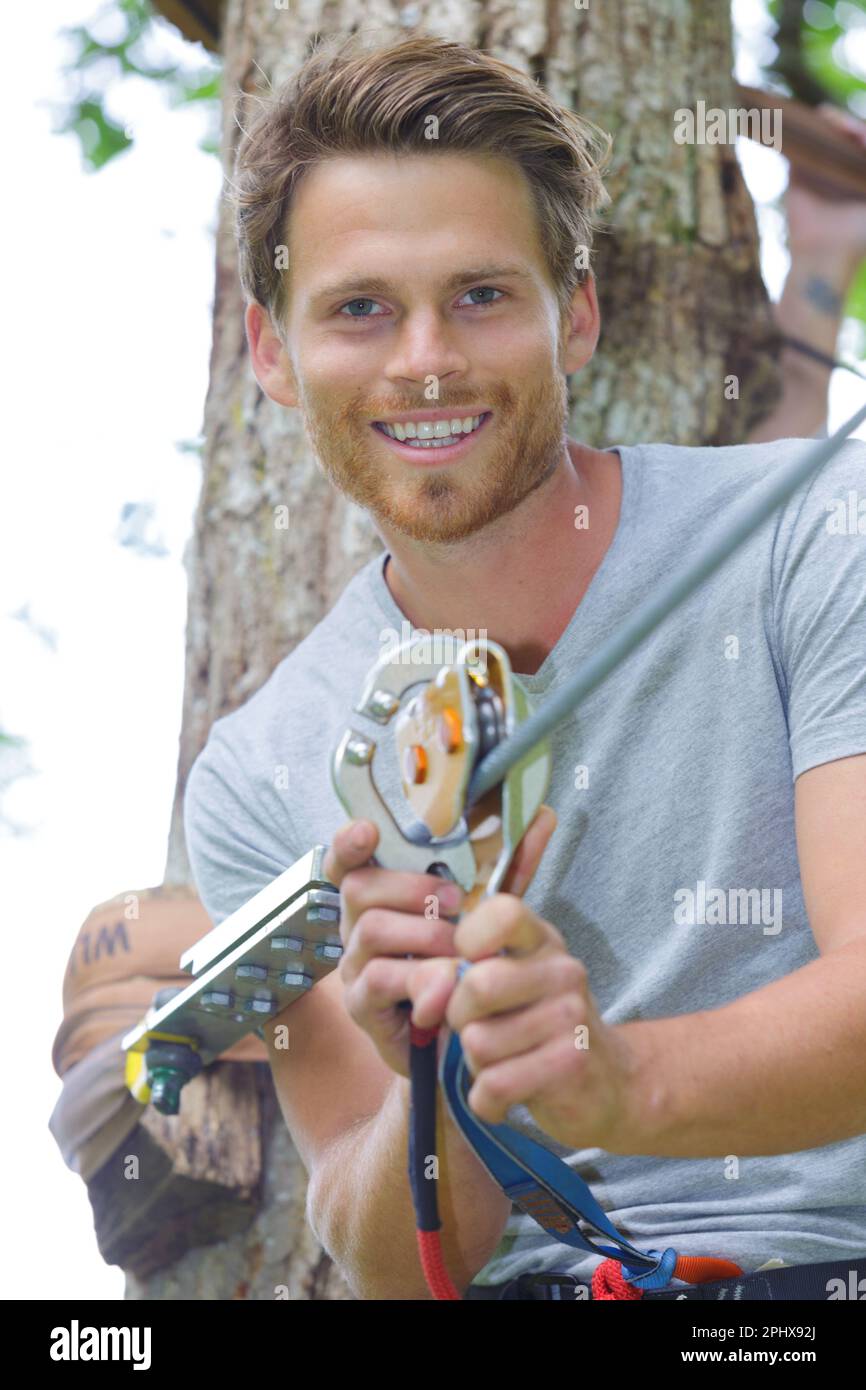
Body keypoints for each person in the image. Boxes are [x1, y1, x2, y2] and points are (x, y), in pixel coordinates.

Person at [184, 31, 866, 1300]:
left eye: (482, 295)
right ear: (271, 352)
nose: (424, 357)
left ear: (580, 315)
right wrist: (427, 1083)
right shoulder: (254, 777)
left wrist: (621, 1080)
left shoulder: (814, 532)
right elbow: (374, 1239)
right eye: (359, 308)